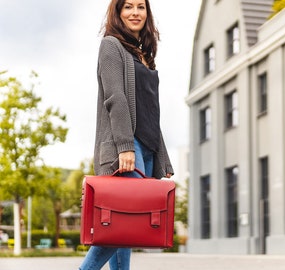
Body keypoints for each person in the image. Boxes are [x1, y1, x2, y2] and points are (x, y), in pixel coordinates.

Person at [79, 0, 174, 269]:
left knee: (125, 224)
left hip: (146, 146)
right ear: (118, 12)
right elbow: (115, 97)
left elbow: (150, 111)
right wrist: (124, 146)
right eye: (128, 7)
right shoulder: (111, 45)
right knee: (123, 222)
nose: (135, 12)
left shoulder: (145, 54)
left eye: (141, 7)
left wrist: (162, 158)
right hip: (127, 144)